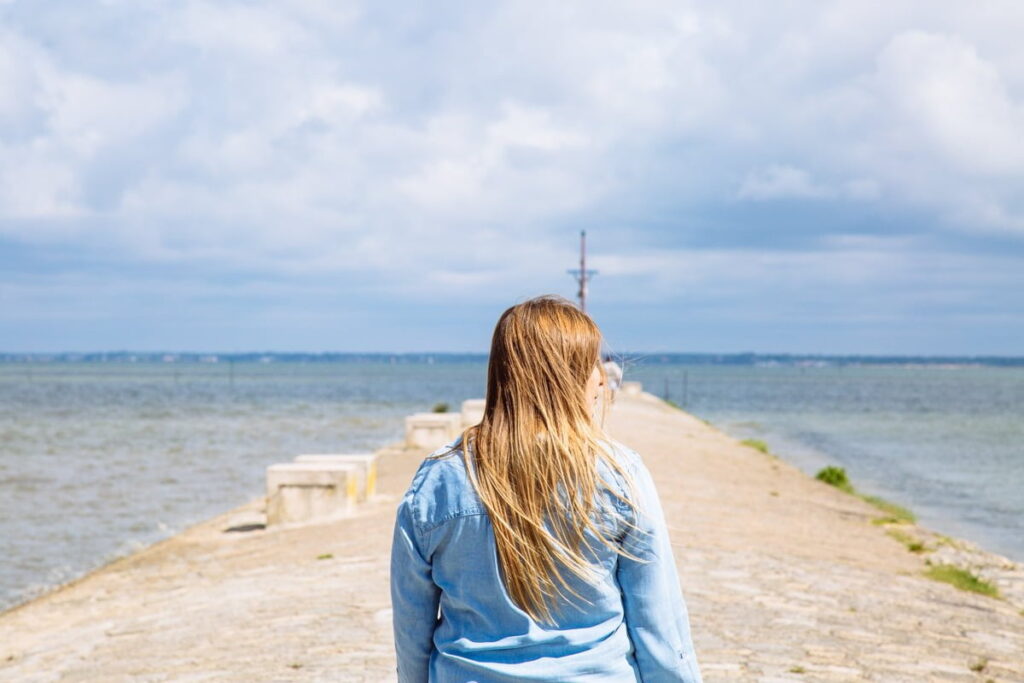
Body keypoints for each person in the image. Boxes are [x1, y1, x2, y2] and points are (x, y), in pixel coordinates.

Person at [390, 294, 702, 682]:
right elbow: (659, 624)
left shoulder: (439, 479)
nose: (601, 378)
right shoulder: (620, 474)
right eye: (592, 364)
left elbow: (411, 627)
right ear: (569, 376)